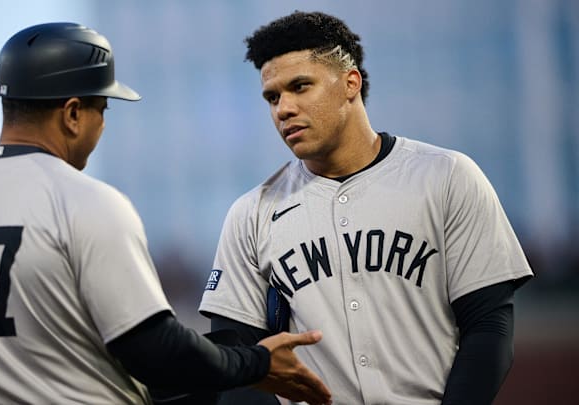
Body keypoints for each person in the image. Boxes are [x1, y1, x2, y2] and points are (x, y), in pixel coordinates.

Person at [0, 22, 332, 405]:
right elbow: (157, 352)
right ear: (72, 114)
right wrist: (255, 362)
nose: (102, 125)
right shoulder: (82, 202)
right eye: (101, 109)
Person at [199, 10, 534, 405]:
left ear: (350, 83)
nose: (283, 109)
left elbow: (489, 326)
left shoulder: (447, 177)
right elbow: (237, 359)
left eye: (300, 86)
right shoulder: (251, 213)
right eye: (273, 97)